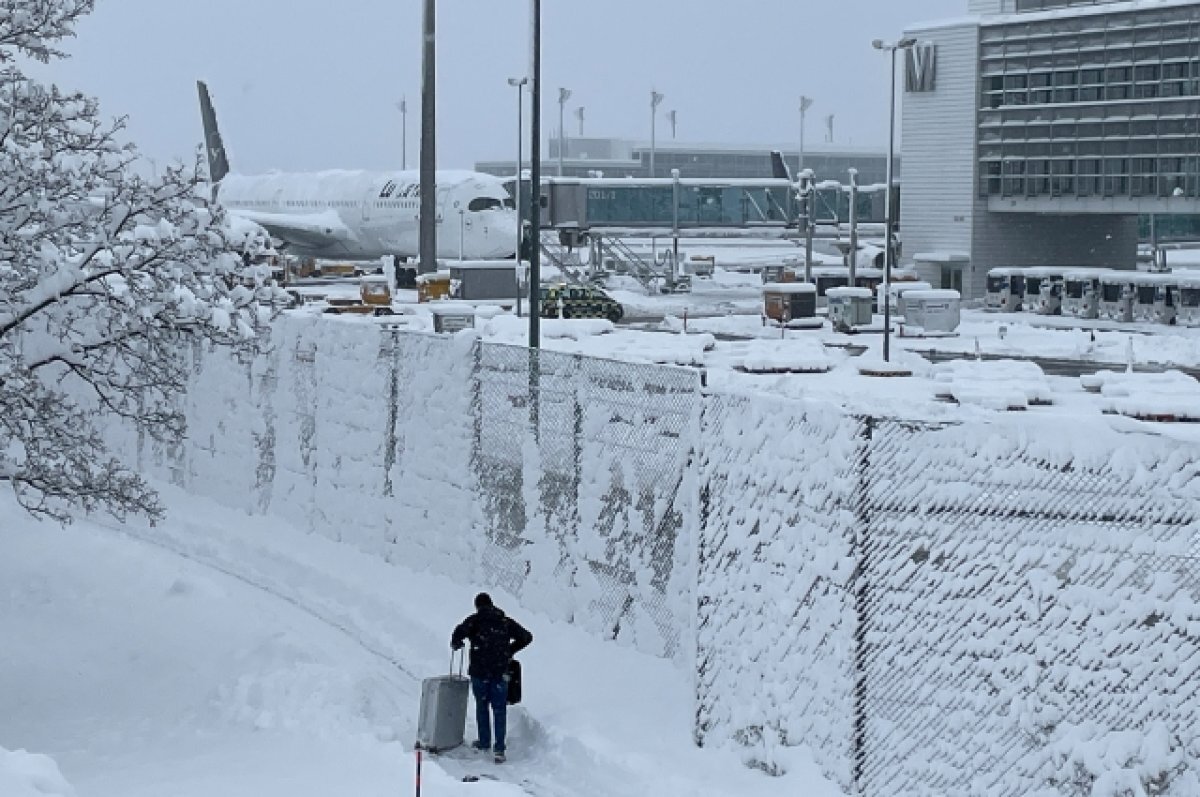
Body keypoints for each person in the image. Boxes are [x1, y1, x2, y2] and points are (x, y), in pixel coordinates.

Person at [451, 592, 532, 763]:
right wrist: (509, 651)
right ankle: (500, 749)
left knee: (482, 706)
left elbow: (459, 632)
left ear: (477, 606)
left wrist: (457, 643)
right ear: (492, 604)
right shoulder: (504, 621)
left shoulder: (474, 621)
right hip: (499, 673)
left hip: (480, 673)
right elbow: (526, 637)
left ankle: (484, 742)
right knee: (499, 710)